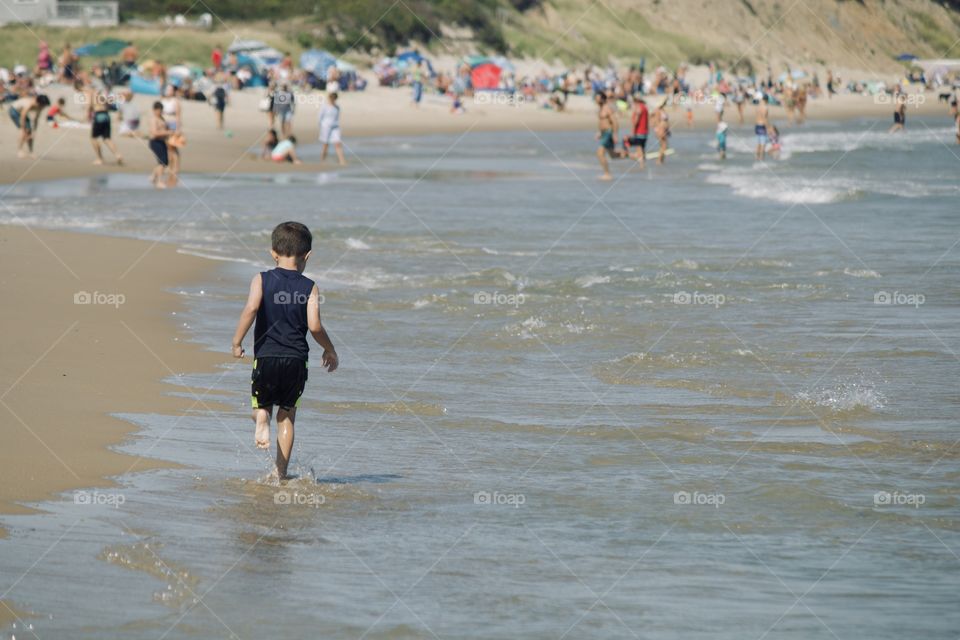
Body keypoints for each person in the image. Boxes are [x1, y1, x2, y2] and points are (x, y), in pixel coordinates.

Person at [231, 221, 338, 479]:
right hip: (296, 361)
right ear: (307, 255)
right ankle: (281, 474)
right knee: (287, 416)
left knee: (261, 406)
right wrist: (330, 349)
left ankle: (260, 419)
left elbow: (251, 310)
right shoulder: (310, 287)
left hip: (266, 357)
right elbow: (314, 326)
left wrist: (236, 342)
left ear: (273, 252)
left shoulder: (261, 279)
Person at [86, 84, 123, 165]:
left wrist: (87, 115)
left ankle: (100, 158)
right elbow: (109, 106)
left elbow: (89, 107)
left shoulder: (92, 94)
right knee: (107, 138)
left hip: (99, 116)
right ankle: (118, 155)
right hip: (106, 116)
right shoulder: (102, 97)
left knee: (93, 138)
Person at [9, 94, 50, 158]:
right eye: (43, 105)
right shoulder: (29, 104)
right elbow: (23, 115)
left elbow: (36, 119)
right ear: (39, 103)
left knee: (30, 132)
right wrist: (23, 128)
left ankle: (31, 152)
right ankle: (20, 151)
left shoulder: (40, 107)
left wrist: (34, 131)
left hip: (20, 112)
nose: (44, 107)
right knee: (25, 131)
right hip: (14, 110)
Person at [594, 92, 623, 180]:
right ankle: (633, 156)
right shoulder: (601, 108)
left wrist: (615, 134)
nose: (596, 100)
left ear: (603, 99)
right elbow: (602, 122)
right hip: (604, 133)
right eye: (596, 98)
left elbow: (615, 122)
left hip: (609, 132)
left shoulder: (607, 108)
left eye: (598, 98)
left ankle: (607, 174)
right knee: (613, 155)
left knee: (600, 153)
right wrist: (599, 132)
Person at [318, 91, 346, 166]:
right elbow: (320, 117)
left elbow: (337, 118)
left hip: (335, 127)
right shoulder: (324, 107)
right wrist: (321, 126)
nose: (333, 100)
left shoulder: (337, 107)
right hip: (326, 127)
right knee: (325, 144)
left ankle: (342, 160)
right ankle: (322, 160)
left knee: (338, 143)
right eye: (332, 98)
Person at [148, 101, 171, 188]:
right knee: (162, 162)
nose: (159, 112)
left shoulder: (162, 119)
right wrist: (167, 132)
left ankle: (153, 176)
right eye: (158, 110)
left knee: (164, 162)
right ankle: (159, 181)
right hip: (155, 142)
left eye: (161, 110)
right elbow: (154, 133)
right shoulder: (154, 119)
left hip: (162, 142)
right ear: (154, 110)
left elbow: (166, 129)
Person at [623, 94, 648, 169]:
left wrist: (632, 133)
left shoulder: (639, 108)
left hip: (639, 132)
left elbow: (636, 121)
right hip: (645, 132)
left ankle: (639, 162)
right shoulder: (644, 107)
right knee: (641, 148)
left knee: (628, 142)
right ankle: (642, 165)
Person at [653, 99, 670, 165]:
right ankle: (659, 160)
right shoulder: (658, 110)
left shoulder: (662, 109)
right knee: (663, 145)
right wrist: (659, 129)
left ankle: (661, 160)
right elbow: (656, 121)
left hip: (664, 129)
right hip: (661, 129)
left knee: (664, 145)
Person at [755, 94, 770, 160]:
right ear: (766, 100)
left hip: (757, 125)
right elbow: (764, 118)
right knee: (763, 144)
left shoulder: (758, 106)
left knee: (758, 143)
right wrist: (768, 128)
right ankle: (761, 158)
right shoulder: (765, 107)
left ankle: (756, 157)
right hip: (762, 126)